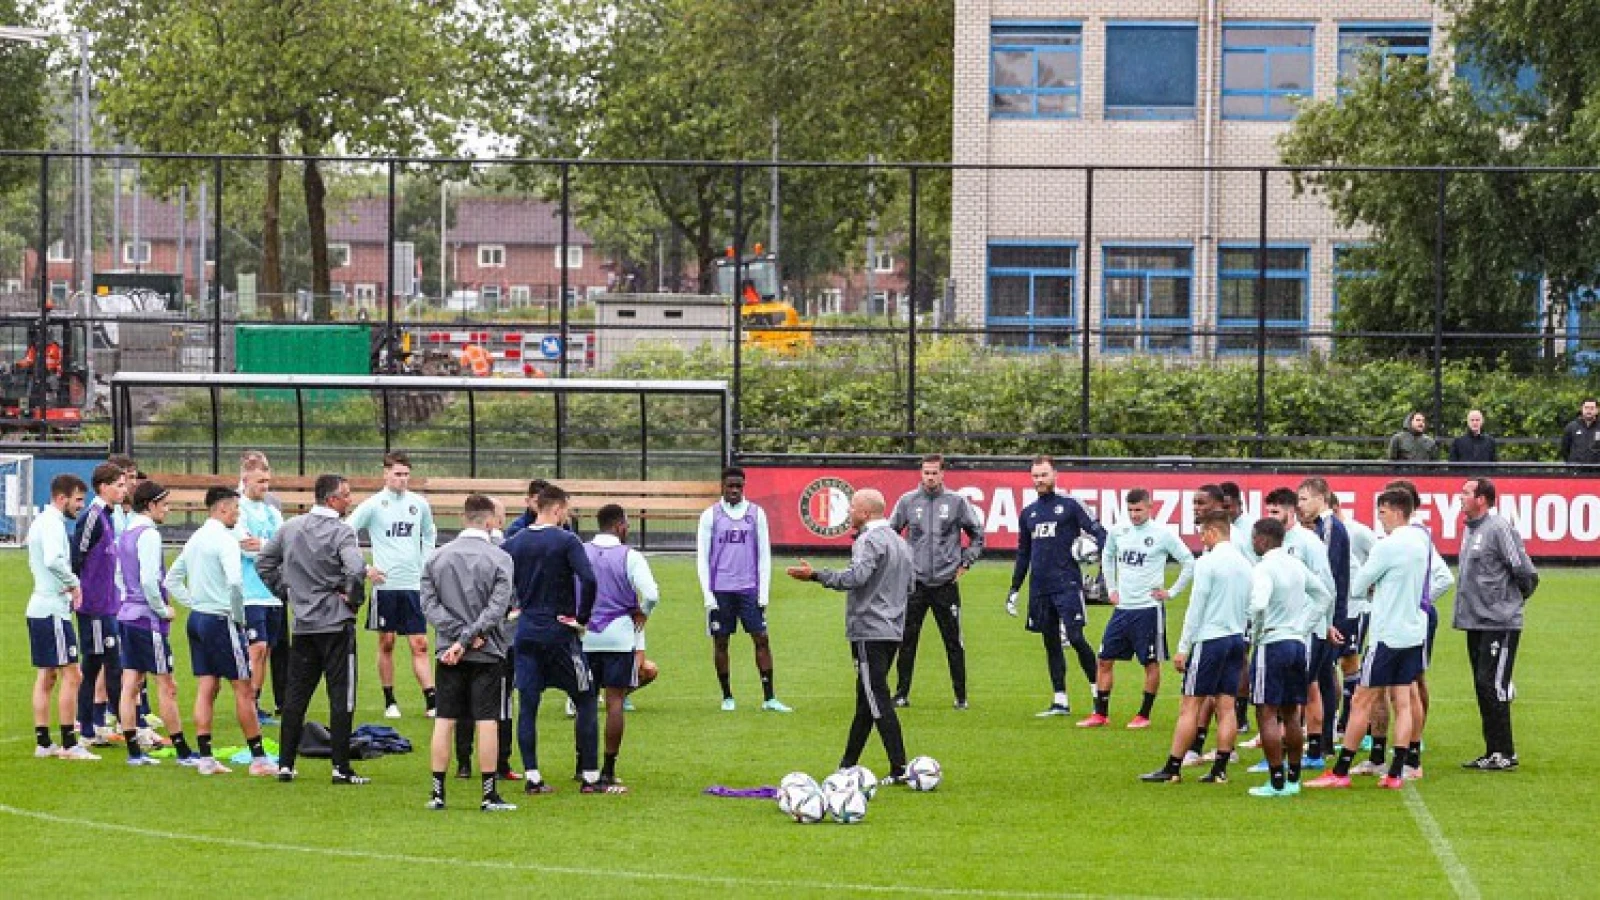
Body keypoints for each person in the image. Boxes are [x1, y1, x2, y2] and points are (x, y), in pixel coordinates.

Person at [1308, 489, 1433, 791]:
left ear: (1395, 511)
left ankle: (1340, 771)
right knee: (1403, 700)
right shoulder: (1421, 540)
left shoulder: (1387, 546)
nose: (1380, 518)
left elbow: (1358, 585)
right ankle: (1396, 772)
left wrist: (1373, 586)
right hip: (1412, 631)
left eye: (1382, 512)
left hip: (1387, 634)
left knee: (1362, 700)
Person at [786, 489, 914, 783]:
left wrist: (816, 576)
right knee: (865, 700)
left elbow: (855, 578)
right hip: (893, 630)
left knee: (876, 698)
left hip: (869, 630)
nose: (848, 513)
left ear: (866, 513)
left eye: (852, 508)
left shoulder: (868, 541)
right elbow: (910, 586)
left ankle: (899, 767)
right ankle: (846, 766)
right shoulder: (900, 543)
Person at [258, 474, 371, 785]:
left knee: (296, 696)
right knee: (341, 696)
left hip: (304, 624)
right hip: (335, 624)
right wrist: (353, 600)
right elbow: (357, 569)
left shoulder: (291, 528)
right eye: (346, 495)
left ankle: (285, 764)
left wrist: (287, 592)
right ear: (332, 499)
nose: (350, 500)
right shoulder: (342, 532)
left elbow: (264, 563)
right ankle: (340, 768)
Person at [502, 484, 610, 794]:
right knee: (586, 697)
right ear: (558, 509)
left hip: (526, 632)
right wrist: (582, 618)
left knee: (528, 706)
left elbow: (499, 576)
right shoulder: (566, 541)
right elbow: (588, 579)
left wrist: (513, 606)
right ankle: (590, 777)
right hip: (560, 633)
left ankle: (533, 777)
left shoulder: (515, 542)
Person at [164, 487, 272, 777]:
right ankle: (259, 759)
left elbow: (172, 580)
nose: (239, 514)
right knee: (244, 688)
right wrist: (238, 618)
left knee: (207, 687)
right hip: (221, 620)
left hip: (198, 620)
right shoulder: (224, 541)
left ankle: (206, 758)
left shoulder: (196, 538)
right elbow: (236, 584)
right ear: (223, 509)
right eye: (236, 509)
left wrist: (195, 604)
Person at [421, 494, 517, 812]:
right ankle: (488, 795)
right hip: (486, 650)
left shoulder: (436, 558)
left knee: (444, 719)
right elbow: (497, 608)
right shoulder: (500, 558)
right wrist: (470, 635)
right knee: (487, 721)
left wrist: (455, 637)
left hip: (448, 651)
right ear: (489, 521)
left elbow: (428, 604)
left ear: (464, 518)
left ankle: (438, 793)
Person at [1140, 511, 1250, 785]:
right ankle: (1220, 769)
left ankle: (1173, 767)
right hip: (1237, 638)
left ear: (1212, 532)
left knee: (1190, 704)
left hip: (1210, 639)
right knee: (1227, 705)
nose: (1202, 540)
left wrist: (1183, 647)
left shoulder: (1207, 563)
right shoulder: (1246, 564)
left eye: (1202, 534)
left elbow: (1196, 607)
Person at [1083, 488, 1194, 729]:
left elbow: (1188, 561)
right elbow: (1108, 556)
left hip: (1148, 609)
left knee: (1150, 663)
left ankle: (1143, 714)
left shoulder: (1163, 534)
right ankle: (1100, 713)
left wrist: (1171, 592)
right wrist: (1111, 588)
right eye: (1130, 510)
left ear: (1149, 507)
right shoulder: (1118, 531)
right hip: (1123, 608)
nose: (1134, 515)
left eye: (1138, 510)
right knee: (1104, 659)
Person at [1007, 455, 1107, 717]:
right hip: (1040, 587)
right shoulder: (1028, 513)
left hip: (1067, 584)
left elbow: (1101, 534)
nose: (1039, 480)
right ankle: (1060, 699)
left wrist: (1102, 570)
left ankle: (1099, 694)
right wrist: (1015, 587)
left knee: (1075, 638)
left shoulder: (1071, 505)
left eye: (1044, 475)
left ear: (1055, 475)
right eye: (1035, 476)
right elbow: (1023, 553)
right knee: (1050, 642)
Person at [1454, 477, 1538, 771]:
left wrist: (1510, 604)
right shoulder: (1471, 529)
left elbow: (1524, 571)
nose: (1460, 496)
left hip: (1498, 623)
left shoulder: (1498, 528)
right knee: (1483, 685)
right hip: (1475, 622)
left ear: (1482, 499)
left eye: (1466, 492)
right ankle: (1492, 751)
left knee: (1493, 685)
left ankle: (1506, 752)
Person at [888, 453, 984, 709]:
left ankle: (961, 697)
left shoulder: (956, 502)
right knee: (907, 639)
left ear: (943, 474)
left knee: (953, 641)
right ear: (921, 473)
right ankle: (901, 693)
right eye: (926, 472)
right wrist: (901, 563)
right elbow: (890, 533)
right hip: (915, 583)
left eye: (934, 472)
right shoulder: (908, 501)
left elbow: (977, 535)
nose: (930, 477)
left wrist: (966, 562)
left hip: (945, 583)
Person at [347, 451, 439, 719]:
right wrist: (364, 568)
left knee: (419, 643)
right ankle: (390, 701)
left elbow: (429, 533)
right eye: (397, 474)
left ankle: (432, 701)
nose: (402, 479)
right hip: (385, 586)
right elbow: (346, 531)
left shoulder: (419, 504)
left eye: (406, 474)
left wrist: (426, 564)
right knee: (386, 642)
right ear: (385, 473)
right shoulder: (374, 505)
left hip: (413, 584)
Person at [113, 481, 198, 767]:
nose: (168, 509)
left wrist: (127, 600)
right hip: (147, 620)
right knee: (166, 684)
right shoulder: (148, 534)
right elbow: (150, 580)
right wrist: (161, 610)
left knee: (131, 683)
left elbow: (119, 577)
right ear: (150, 505)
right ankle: (183, 751)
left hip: (127, 615)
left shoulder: (126, 532)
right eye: (165, 503)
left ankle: (134, 752)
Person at [581, 504, 662, 791]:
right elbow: (652, 593)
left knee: (585, 702)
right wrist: (643, 610)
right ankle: (607, 770)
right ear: (619, 526)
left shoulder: (581, 551)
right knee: (615, 702)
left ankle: (584, 768)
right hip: (618, 636)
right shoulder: (631, 556)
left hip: (586, 635)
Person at [696, 466, 790, 712]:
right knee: (721, 642)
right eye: (730, 486)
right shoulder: (710, 516)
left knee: (761, 639)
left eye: (739, 486)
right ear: (722, 487)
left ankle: (769, 698)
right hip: (720, 590)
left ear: (744, 486)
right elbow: (702, 558)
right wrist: (708, 595)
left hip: (748, 589)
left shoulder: (756, 514)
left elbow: (764, 556)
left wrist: (764, 593)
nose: (735, 490)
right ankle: (727, 696)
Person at [26, 474, 97, 761]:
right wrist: (74, 583)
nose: (81, 505)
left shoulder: (42, 522)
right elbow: (53, 559)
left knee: (48, 675)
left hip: (40, 607)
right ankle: (69, 744)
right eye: (78, 499)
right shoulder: (53, 523)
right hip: (52, 608)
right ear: (61, 498)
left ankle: (44, 743)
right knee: (73, 674)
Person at [1245, 518, 1312, 798]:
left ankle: (1275, 781)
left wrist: (1256, 632)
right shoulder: (1297, 565)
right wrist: (1306, 624)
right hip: (1297, 642)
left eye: (1254, 538)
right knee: (1291, 712)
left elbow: (1259, 603)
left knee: (1266, 711)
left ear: (1262, 539)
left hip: (1273, 643)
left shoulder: (1264, 567)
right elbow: (1325, 594)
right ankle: (1294, 778)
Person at [71, 463, 127, 745]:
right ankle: (124, 727)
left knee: (98, 664)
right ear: (103, 487)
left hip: (107, 604)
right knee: (104, 665)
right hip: (93, 607)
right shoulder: (92, 517)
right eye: (119, 485)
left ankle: (93, 726)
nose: (124, 489)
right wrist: (78, 594)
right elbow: (77, 557)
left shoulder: (108, 516)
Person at [1292, 479, 1347, 767]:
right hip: (1329, 615)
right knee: (1323, 677)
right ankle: (1323, 741)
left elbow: (1326, 579)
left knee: (1314, 680)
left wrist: (1329, 620)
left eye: (1303, 499)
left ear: (1320, 499)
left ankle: (1320, 741)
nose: (1299, 505)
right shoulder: (1329, 528)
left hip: (1326, 617)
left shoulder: (1327, 530)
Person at [236, 452, 285, 724]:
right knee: (256, 647)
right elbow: (245, 546)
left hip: (273, 594)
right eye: (259, 481)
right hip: (250, 592)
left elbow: (284, 547)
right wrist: (269, 549)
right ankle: (249, 703)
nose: (265, 487)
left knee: (265, 651)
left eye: (267, 481)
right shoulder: (238, 510)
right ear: (245, 480)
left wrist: (263, 546)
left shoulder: (272, 512)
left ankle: (256, 701)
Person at [1560, 398, 1600, 464]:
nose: (1589, 410)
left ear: (1597, 410)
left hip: (1597, 470)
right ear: (1581, 409)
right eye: (1586, 407)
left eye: (1592, 408)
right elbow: (1565, 449)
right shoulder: (1571, 427)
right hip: (1576, 470)